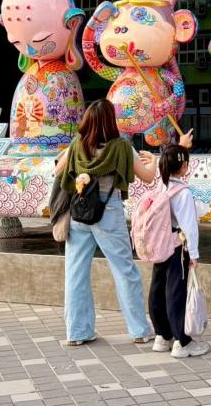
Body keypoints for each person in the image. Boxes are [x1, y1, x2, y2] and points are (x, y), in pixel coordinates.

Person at [55, 99, 155, 346]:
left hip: (79, 213)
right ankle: (140, 330)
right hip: (108, 212)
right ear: (111, 121)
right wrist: (152, 161)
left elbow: (58, 171)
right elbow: (148, 177)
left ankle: (78, 333)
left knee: (75, 273)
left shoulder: (76, 146)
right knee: (124, 271)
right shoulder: (122, 148)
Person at [148, 144, 210, 358]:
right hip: (177, 247)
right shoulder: (182, 192)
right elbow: (189, 226)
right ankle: (182, 342)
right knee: (176, 293)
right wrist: (194, 254)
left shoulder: (160, 188)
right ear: (184, 165)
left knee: (158, 289)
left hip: (159, 245)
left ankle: (162, 336)